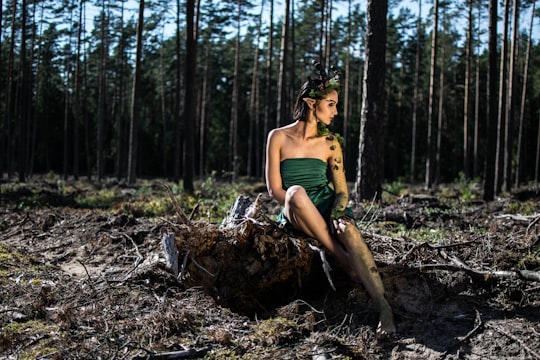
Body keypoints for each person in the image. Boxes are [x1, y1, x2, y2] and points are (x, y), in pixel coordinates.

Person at [265, 60, 396, 338]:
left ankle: (384, 307)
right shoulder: (277, 137)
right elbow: (275, 190)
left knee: (348, 228)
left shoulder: (331, 143)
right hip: (294, 207)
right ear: (312, 103)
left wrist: (339, 212)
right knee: (295, 192)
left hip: (326, 205)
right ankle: (342, 259)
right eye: (331, 104)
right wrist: (295, 204)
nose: (336, 111)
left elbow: (341, 191)